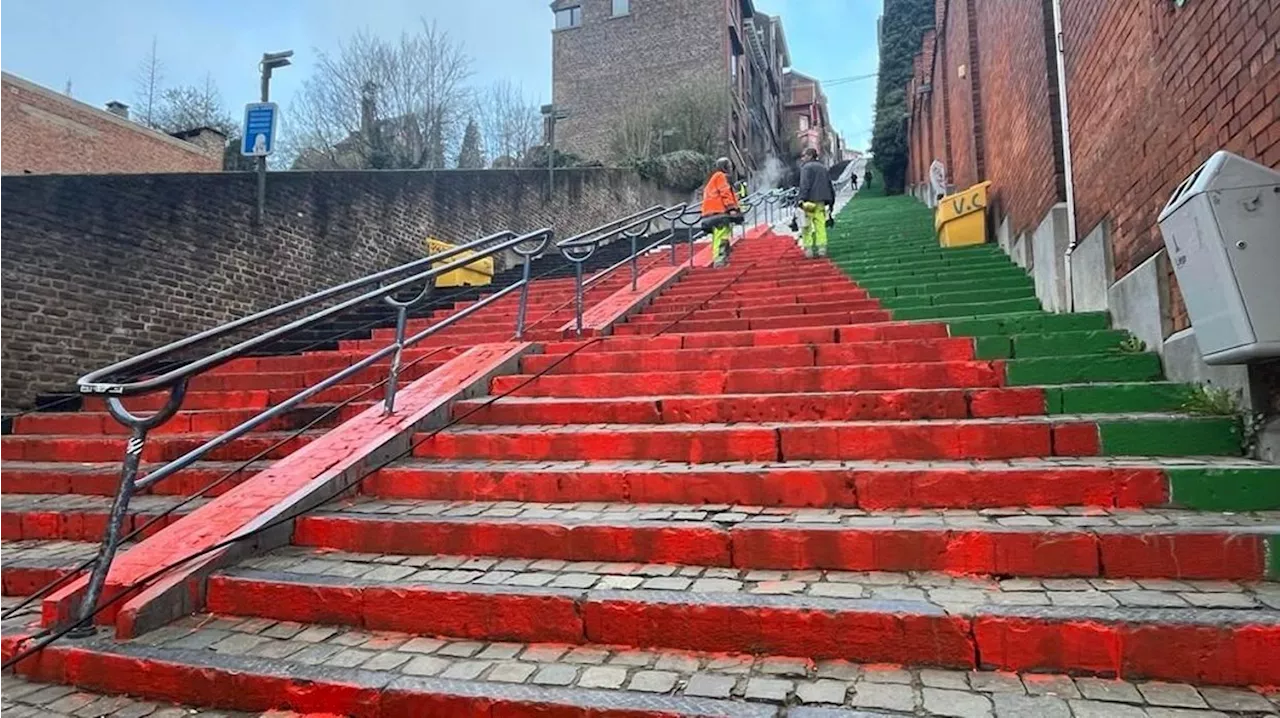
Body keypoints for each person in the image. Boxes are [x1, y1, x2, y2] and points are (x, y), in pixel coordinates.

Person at [700, 157, 743, 268]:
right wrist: (732, 208)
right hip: (718, 212)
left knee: (718, 237)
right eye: (729, 166)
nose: (730, 169)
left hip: (711, 212)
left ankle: (719, 258)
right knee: (722, 236)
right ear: (725, 167)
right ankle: (719, 260)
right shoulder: (721, 177)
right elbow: (725, 192)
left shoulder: (713, 179)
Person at [797, 147, 835, 258]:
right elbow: (829, 184)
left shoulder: (806, 168)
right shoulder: (823, 167)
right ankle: (822, 249)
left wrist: (801, 199)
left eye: (804, 156)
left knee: (806, 226)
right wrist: (831, 201)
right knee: (820, 225)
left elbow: (804, 185)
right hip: (821, 201)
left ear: (809, 156)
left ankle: (808, 250)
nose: (802, 158)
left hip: (808, 202)